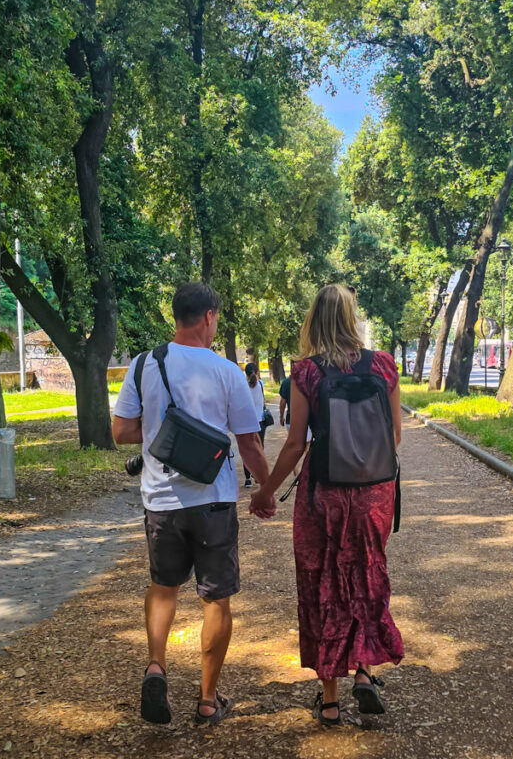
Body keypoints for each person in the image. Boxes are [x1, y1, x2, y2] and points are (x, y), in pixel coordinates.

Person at [112, 282, 276, 727]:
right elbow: (250, 443)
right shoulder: (226, 372)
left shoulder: (145, 363)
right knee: (215, 601)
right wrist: (267, 490)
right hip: (214, 502)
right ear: (209, 317)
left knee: (164, 587)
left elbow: (121, 431)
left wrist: (159, 431)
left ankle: (155, 666)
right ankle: (207, 699)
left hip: (160, 501)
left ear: (176, 317)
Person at [250, 284, 404, 725]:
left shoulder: (306, 373)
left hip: (324, 495)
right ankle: (363, 672)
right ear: (353, 317)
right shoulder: (385, 367)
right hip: (375, 492)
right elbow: (393, 437)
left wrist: (265, 491)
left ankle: (331, 699)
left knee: (323, 582)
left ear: (314, 320)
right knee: (365, 573)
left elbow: (296, 443)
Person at [242, 361, 268, 488]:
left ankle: (248, 478)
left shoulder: (243, 386)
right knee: (259, 448)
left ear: (245, 374)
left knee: (246, 449)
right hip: (260, 421)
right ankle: (258, 475)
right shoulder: (261, 384)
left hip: (247, 421)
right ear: (257, 372)